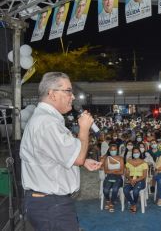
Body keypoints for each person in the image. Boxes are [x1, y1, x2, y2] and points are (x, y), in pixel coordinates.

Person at [20, 72, 102, 230]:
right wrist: (84, 129)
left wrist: (83, 161)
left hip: (49, 204)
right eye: (68, 91)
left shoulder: (45, 119)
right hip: (51, 205)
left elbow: (50, 154)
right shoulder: (47, 123)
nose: (73, 97)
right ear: (52, 94)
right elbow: (77, 157)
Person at [123, 147, 148, 213]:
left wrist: (135, 180)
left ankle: (133, 204)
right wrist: (130, 179)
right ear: (132, 153)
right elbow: (126, 173)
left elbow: (144, 175)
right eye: (134, 152)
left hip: (140, 180)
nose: (136, 154)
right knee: (125, 190)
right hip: (131, 180)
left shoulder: (144, 163)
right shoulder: (129, 162)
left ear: (139, 153)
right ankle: (133, 204)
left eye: (137, 152)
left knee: (135, 191)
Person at [103, 144, 124, 212]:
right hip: (109, 177)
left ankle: (112, 203)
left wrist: (111, 171)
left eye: (114, 150)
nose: (113, 151)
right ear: (109, 150)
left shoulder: (120, 158)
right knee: (106, 190)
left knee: (115, 189)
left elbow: (122, 172)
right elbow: (106, 171)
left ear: (117, 150)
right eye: (111, 150)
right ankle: (108, 200)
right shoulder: (107, 159)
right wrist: (116, 170)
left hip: (118, 178)